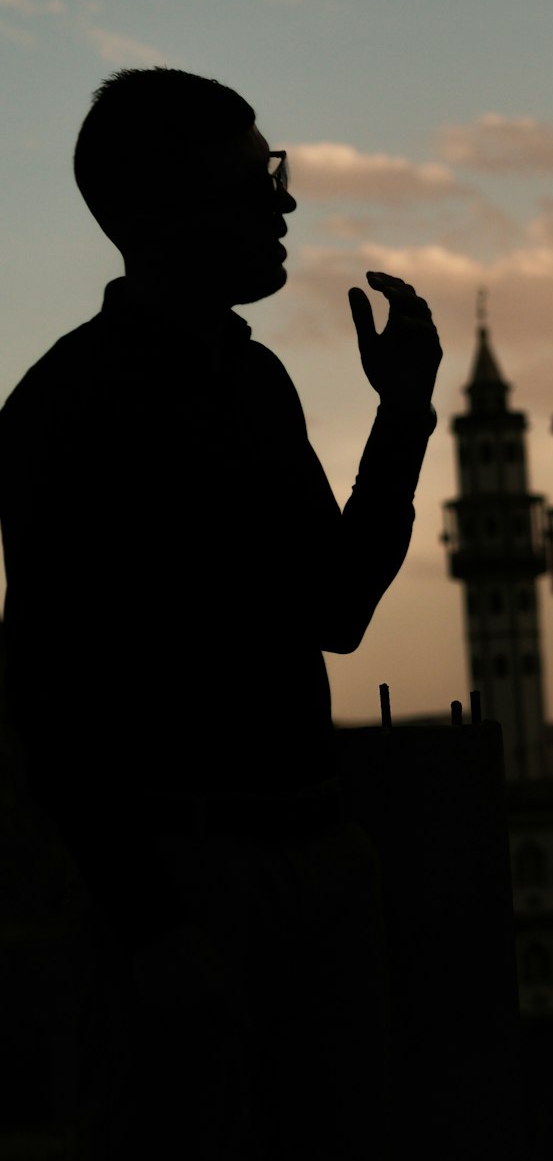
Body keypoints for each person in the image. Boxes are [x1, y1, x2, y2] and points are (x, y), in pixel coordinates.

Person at [0, 68, 441, 1159]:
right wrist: (152, 923)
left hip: (312, 858)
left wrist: (405, 414)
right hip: (189, 881)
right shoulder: (69, 405)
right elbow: (44, 690)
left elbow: (335, 607)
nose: (283, 203)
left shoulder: (254, 380)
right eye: (254, 179)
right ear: (160, 207)